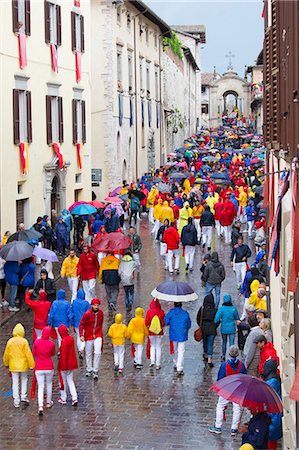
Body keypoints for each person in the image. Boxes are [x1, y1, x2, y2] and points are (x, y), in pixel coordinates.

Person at [209, 345, 246, 436]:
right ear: (237, 354)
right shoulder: (241, 365)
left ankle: (218, 426)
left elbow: (220, 379)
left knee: (220, 406)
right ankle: (234, 428)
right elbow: (244, 378)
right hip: (237, 389)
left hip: (226, 389)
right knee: (237, 408)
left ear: (229, 354)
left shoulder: (224, 365)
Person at [3, 323, 35, 408]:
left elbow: (6, 354)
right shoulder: (24, 341)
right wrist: (32, 365)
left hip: (13, 365)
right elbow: (28, 354)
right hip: (23, 364)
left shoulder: (10, 341)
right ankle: (23, 396)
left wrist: (6, 363)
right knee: (24, 379)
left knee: (15, 382)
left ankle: (16, 400)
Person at [32, 326, 56, 416]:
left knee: (41, 386)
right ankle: (49, 402)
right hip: (49, 366)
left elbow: (34, 353)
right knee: (49, 384)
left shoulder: (37, 342)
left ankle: (40, 405)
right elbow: (52, 353)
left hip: (39, 367)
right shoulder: (51, 343)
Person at [79, 298, 104, 379]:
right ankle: (89, 369)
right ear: (92, 305)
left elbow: (100, 324)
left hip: (98, 334)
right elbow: (81, 324)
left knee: (97, 352)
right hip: (89, 335)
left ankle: (95, 369)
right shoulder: (87, 314)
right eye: (95, 305)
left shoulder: (101, 313)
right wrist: (81, 335)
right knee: (88, 353)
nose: (96, 307)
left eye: (97, 305)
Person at [164, 302, 191, 376]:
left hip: (173, 334)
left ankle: (176, 362)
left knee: (176, 349)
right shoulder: (185, 313)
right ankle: (180, 367)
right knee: (181, 351)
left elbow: (166, 322)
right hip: (182, 334)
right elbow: (189, 324)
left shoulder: (171, 312)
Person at [262, 360, 283, 449]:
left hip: (272, 412)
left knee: (269, 437)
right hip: (274, 411)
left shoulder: (272, 381)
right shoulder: (275, 378)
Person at [57, 325, 78, 406]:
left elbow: (64, 354)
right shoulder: (71, 338)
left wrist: (63, 365)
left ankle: (63, 397)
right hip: (71, 364)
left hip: (64, 364)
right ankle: (74, 397)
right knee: (70, 381)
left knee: (62, 382)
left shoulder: (64, 341)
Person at [214, 294, 240, 361]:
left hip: (224, 328)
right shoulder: (234, 309)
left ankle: (223, 355)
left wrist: (221, 320)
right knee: (232, 343)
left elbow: (216, 319)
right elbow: (237, 318)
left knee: (224, 342)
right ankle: (232, 356)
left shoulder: (221, 309)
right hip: (232, 328)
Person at [197, 294, 217, 367]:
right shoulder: (215, 310)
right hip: (212, 328)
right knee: (210, 344)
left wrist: (200, 325)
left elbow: (198, 318)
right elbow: (217, 320)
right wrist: (215, 326)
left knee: (205, 342)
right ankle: (209, 359)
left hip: (203, 328)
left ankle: (205, 353)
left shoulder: (202, 309)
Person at [145, 298, 165, 370]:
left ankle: (152, 361)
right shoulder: (162, 312)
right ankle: (158, 364)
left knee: (152, 346)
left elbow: (146, 322)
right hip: (159, 332)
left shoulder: (149, 312)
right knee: (158, 347)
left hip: (151, 332)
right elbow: (163, 323)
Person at [71, 288, 90, 358]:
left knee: (79, 337)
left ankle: (80, 350)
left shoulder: (74, 302)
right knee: (84, 336)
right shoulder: (86, 303)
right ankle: (81, 349)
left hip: (76, 322)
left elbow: (72, 312)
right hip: (84, 323)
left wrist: (72, 323)